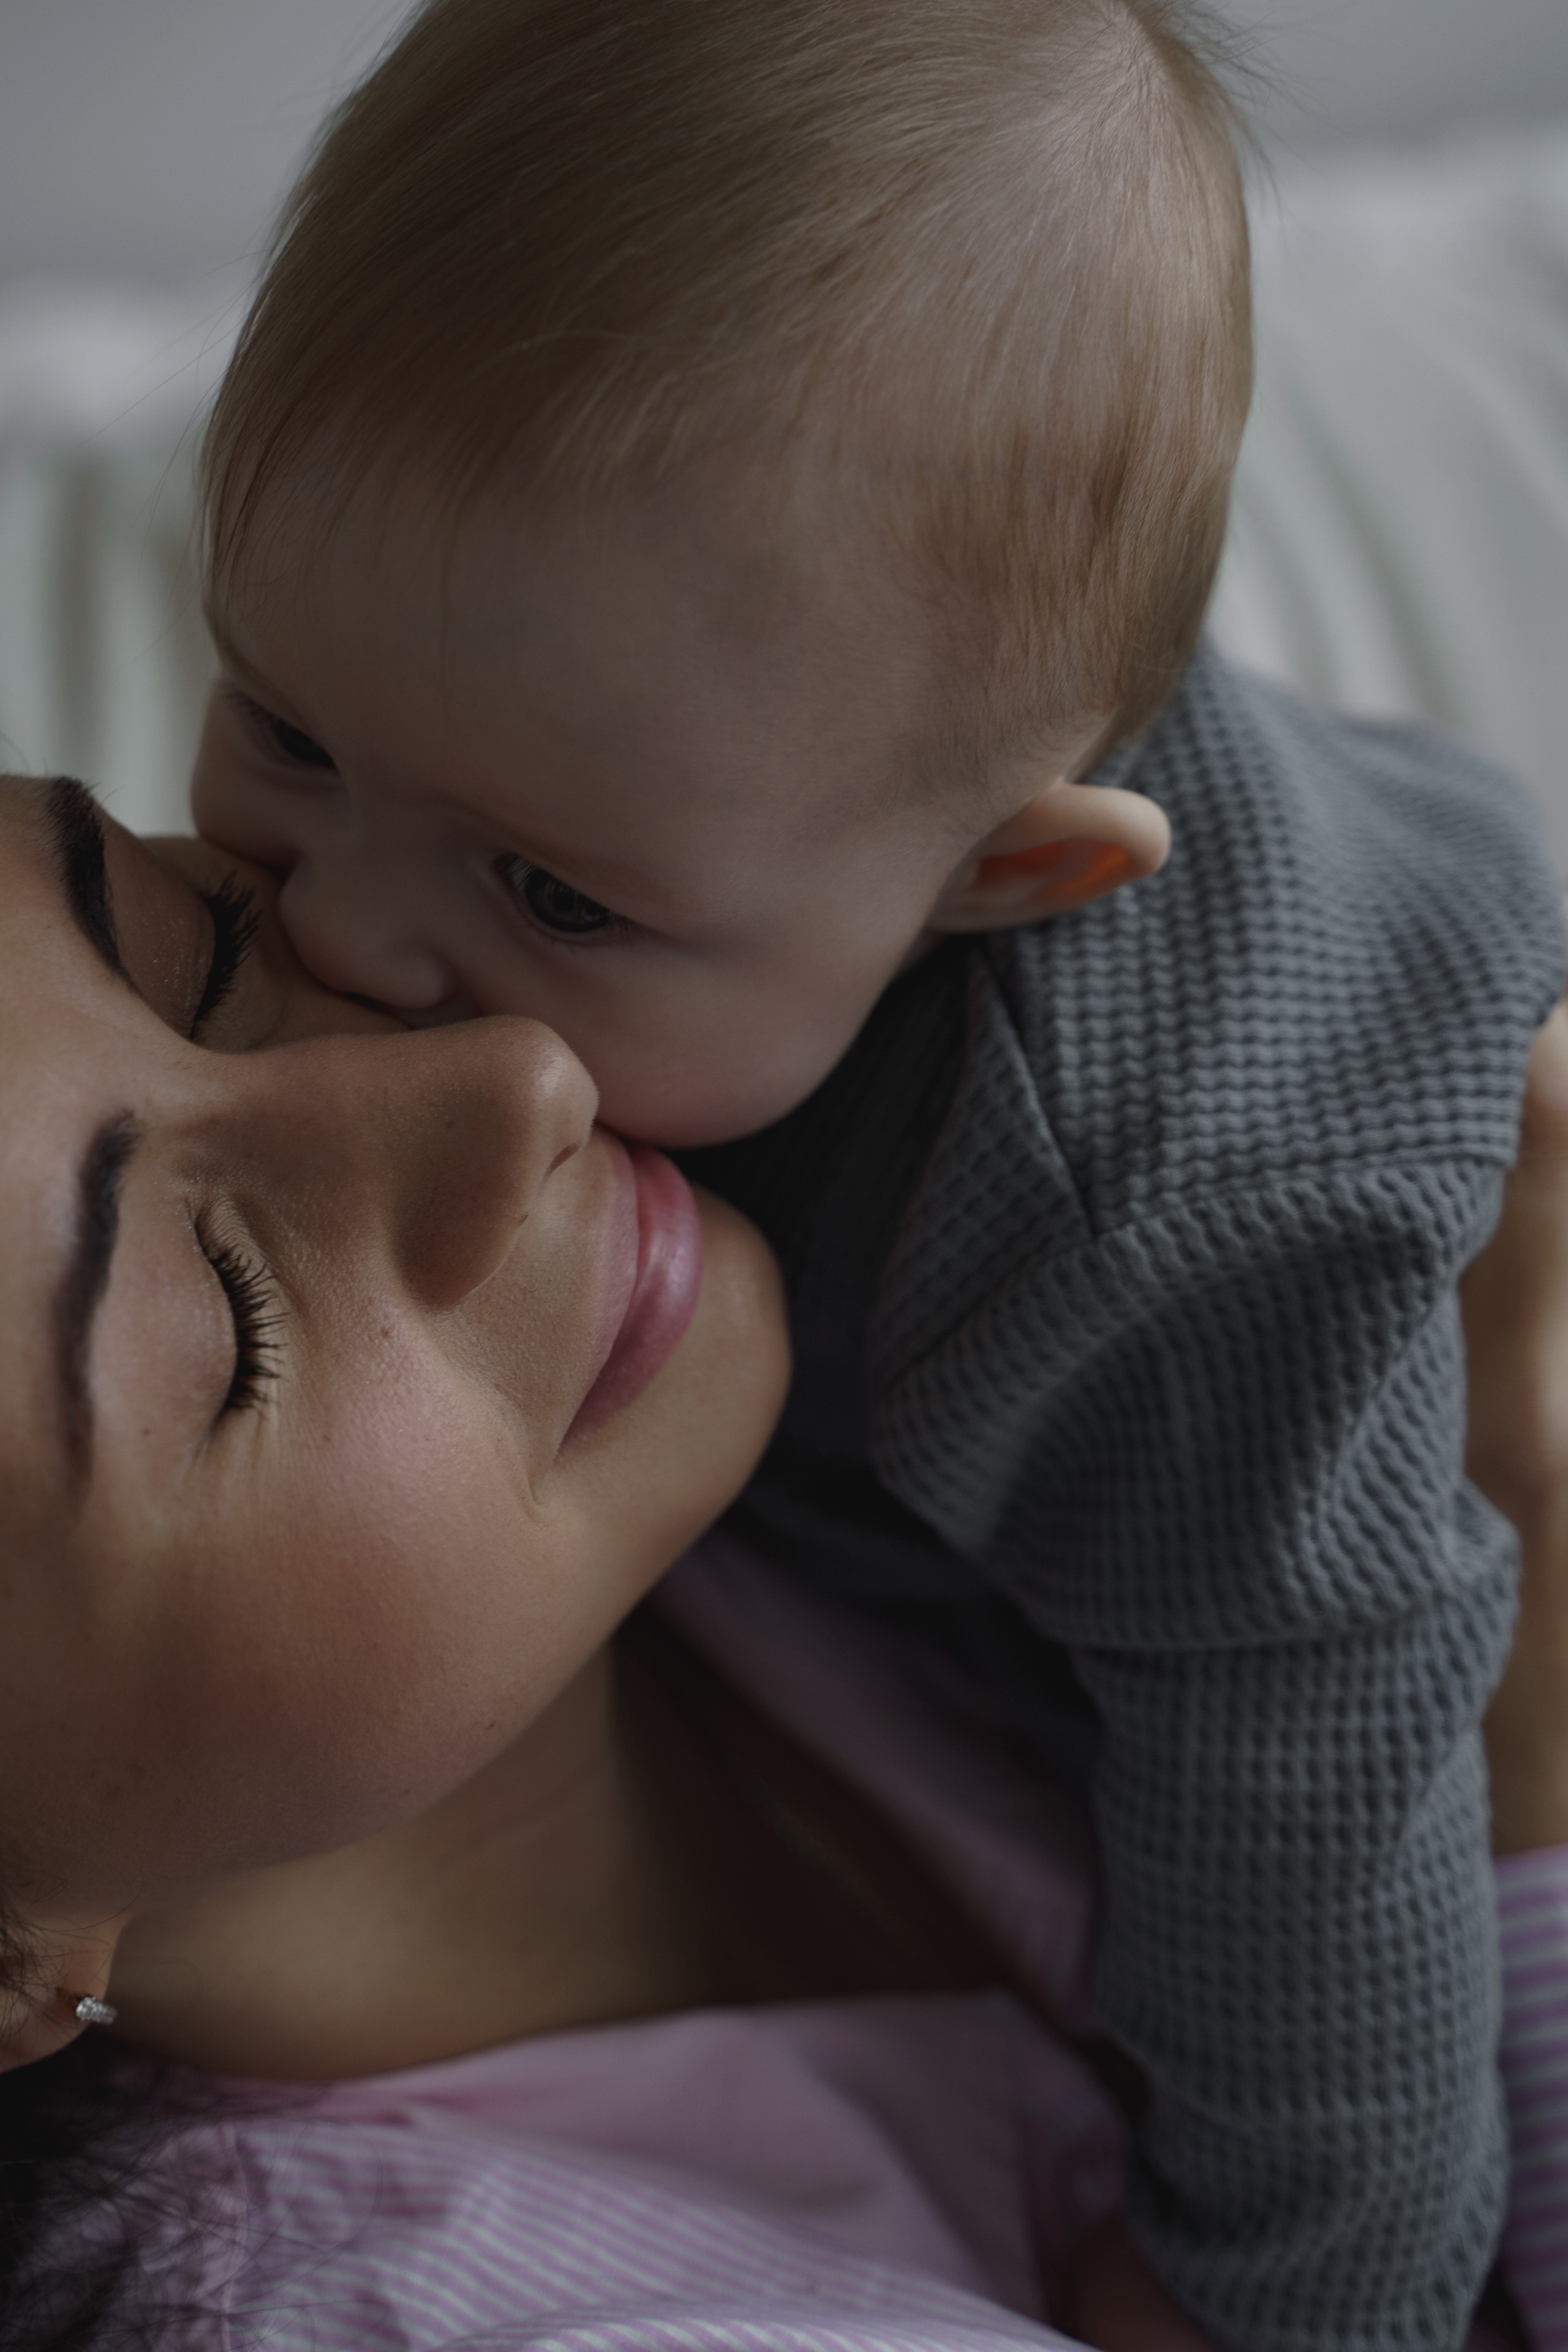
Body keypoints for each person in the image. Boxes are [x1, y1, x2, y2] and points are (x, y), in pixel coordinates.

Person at [183, 2, 1567, 2345]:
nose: (339, 937)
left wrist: (1290, 2291)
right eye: (283, 732)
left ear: (1005, 880)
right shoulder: (649, 746)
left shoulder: (1170, 1221)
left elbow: (1316, 1778)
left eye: (554, 898)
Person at [0, 765, 1564, 2352]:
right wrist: (1537, 1685)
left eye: (201, 945)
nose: (515, 1081)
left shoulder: (939, 1265)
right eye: (241, 1326)